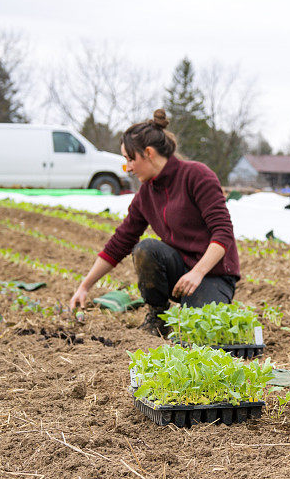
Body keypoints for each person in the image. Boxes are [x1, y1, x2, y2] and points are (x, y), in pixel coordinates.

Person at [69, 109, 240, 336]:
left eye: (130, 159)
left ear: (148, 153)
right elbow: (120, 242)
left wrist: (197, 273)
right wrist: (85, 286)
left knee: (201, 334)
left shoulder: (197, 175)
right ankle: (158, 315)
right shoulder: (146, 194)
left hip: (212, 273)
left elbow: (223, 232)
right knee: (146, 249)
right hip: (180, 270)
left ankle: (196, 306)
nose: (127, 168)